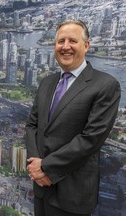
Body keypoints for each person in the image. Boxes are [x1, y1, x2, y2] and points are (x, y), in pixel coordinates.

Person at [25, 19, 121, 216]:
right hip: (41, 189)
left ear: (86, 46)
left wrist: (45, 167)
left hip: (73, 195)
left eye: (72, 41)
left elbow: (91, 139)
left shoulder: (106, 85)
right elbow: (32, 125)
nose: (65, 47)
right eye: (61, 41)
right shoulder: (47, 83)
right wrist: (35, 168)